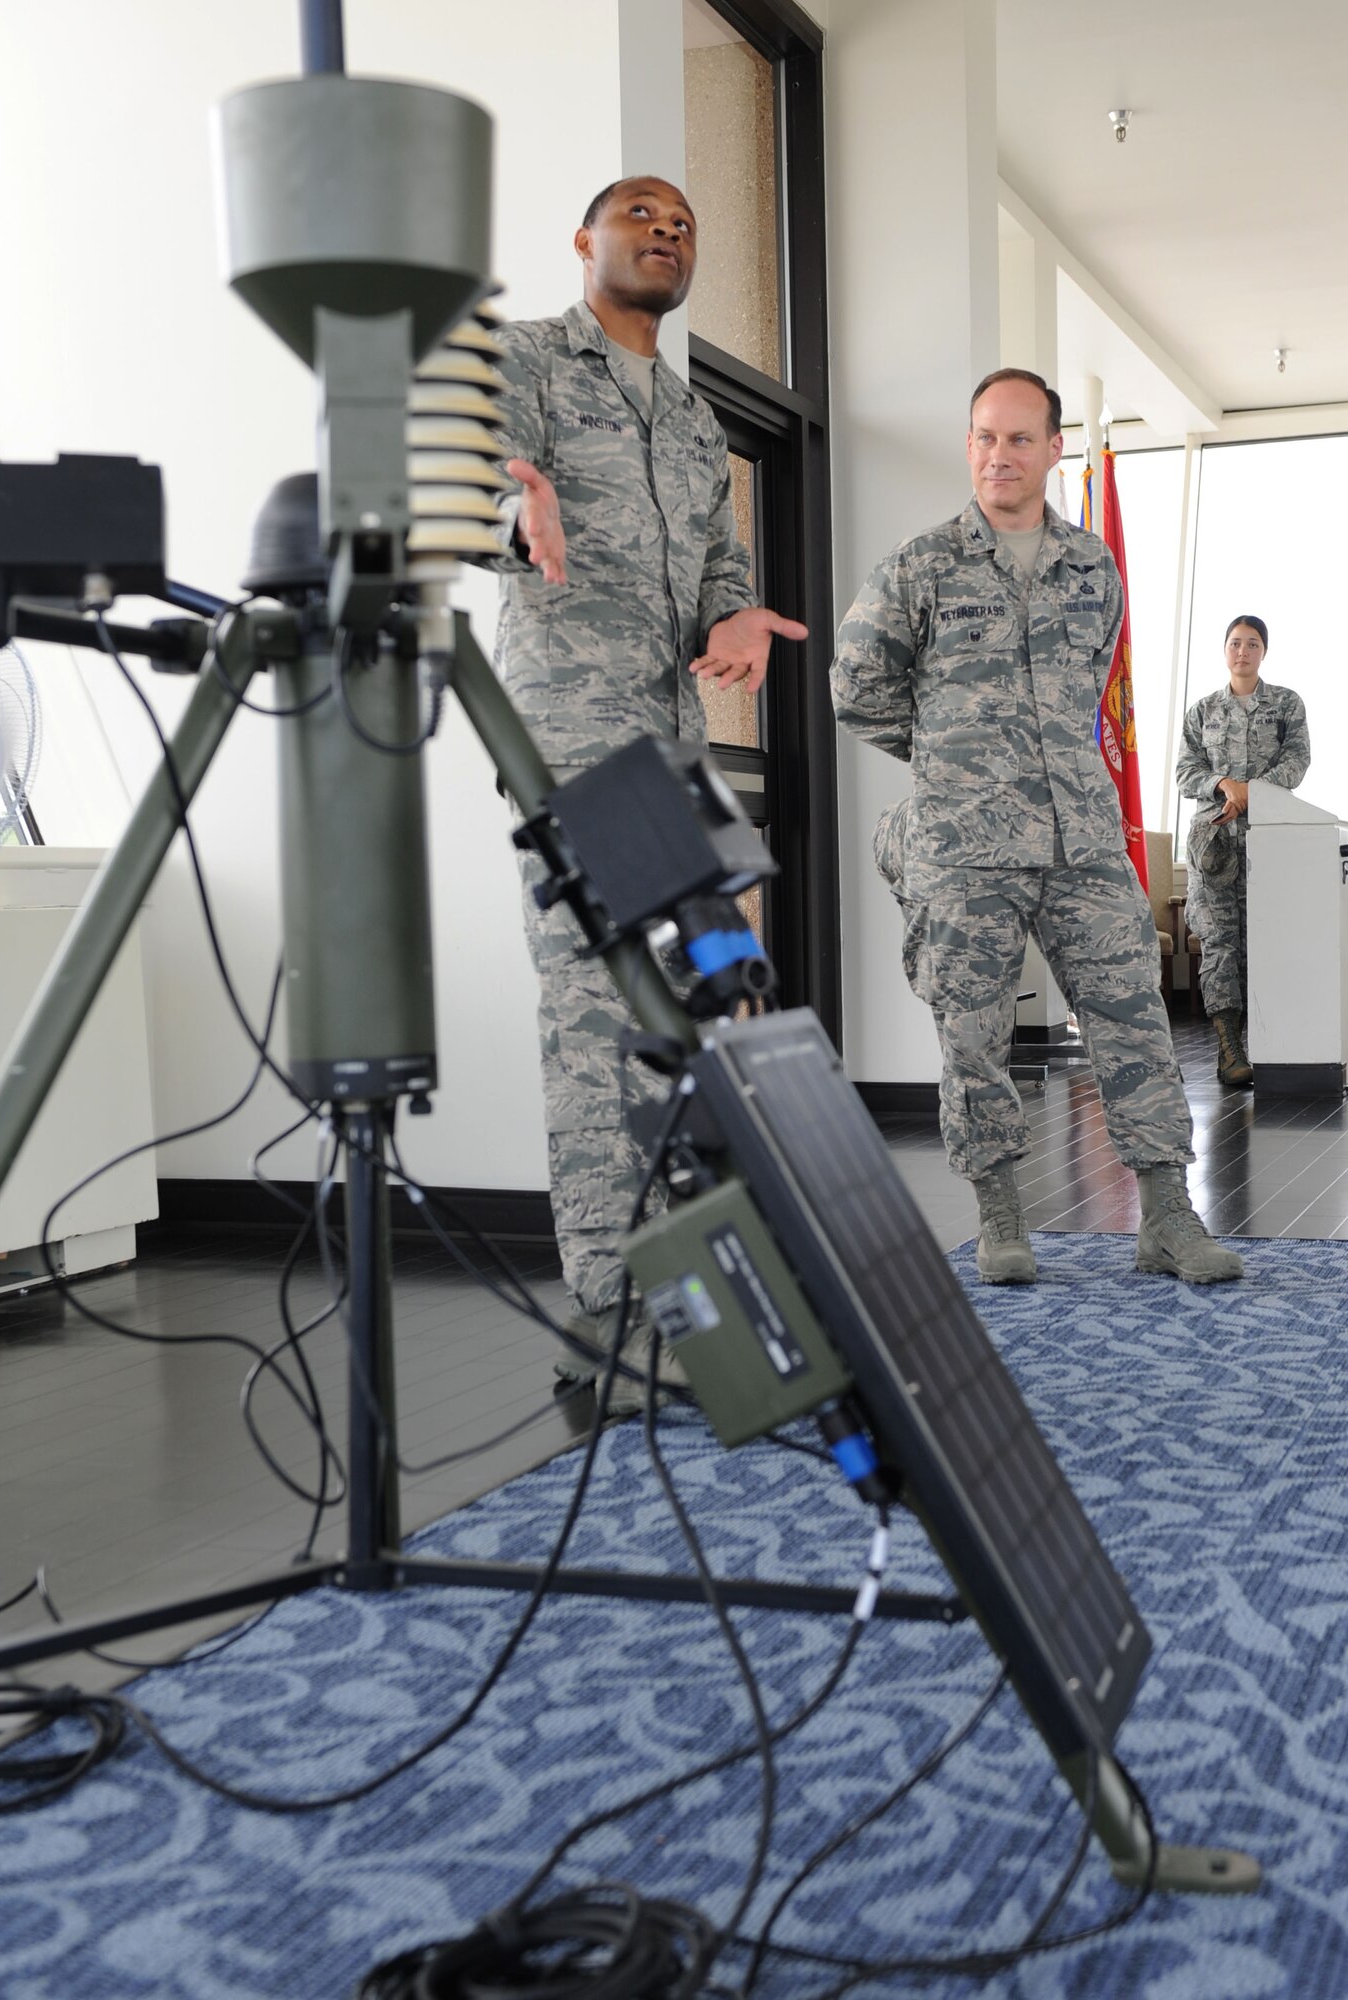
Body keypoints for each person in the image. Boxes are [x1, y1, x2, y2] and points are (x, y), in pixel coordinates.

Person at [493, 177, 807, 1404]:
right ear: (584, 242)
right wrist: (518, 507)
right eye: (639, 215)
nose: (665, 229)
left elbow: (724, 567)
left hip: (675, 745)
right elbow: (483, 472)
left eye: (683, 220)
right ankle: (610, 1305)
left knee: (707, 987)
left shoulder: (688, 421)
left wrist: (736, 612)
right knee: (593, 1008)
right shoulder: (528, 357)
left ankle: (704, 1270)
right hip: (572, 736)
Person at [831, 367, 1241, 1287]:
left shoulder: (1093, 567)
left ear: (1054, 450)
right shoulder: (918, 565)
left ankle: (1167, 1216)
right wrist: (952, 761)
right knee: (970, 1033)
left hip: (1082, 838)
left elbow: (1089, 686)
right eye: (983, 436)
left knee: (1132, 1018)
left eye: (1019, 438)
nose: (997, 454)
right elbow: (854, 691)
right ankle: (998, 1213)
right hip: (963, 846)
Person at [1175, 617, 1310, 1087]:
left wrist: (1252, 790)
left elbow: (1298, 760)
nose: (1242, 651)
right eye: (1235, 643)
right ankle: (1229, 1048)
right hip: (1212, 846)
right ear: (1224, 650)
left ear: (1264, 652)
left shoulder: (1287, 704)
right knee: (1218, 945)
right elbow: (1185, 770)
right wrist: (1222, 784)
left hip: (1269, 842)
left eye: (1252, 644)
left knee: (1262, 944)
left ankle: (1266, 1041)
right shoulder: (1203, 710)